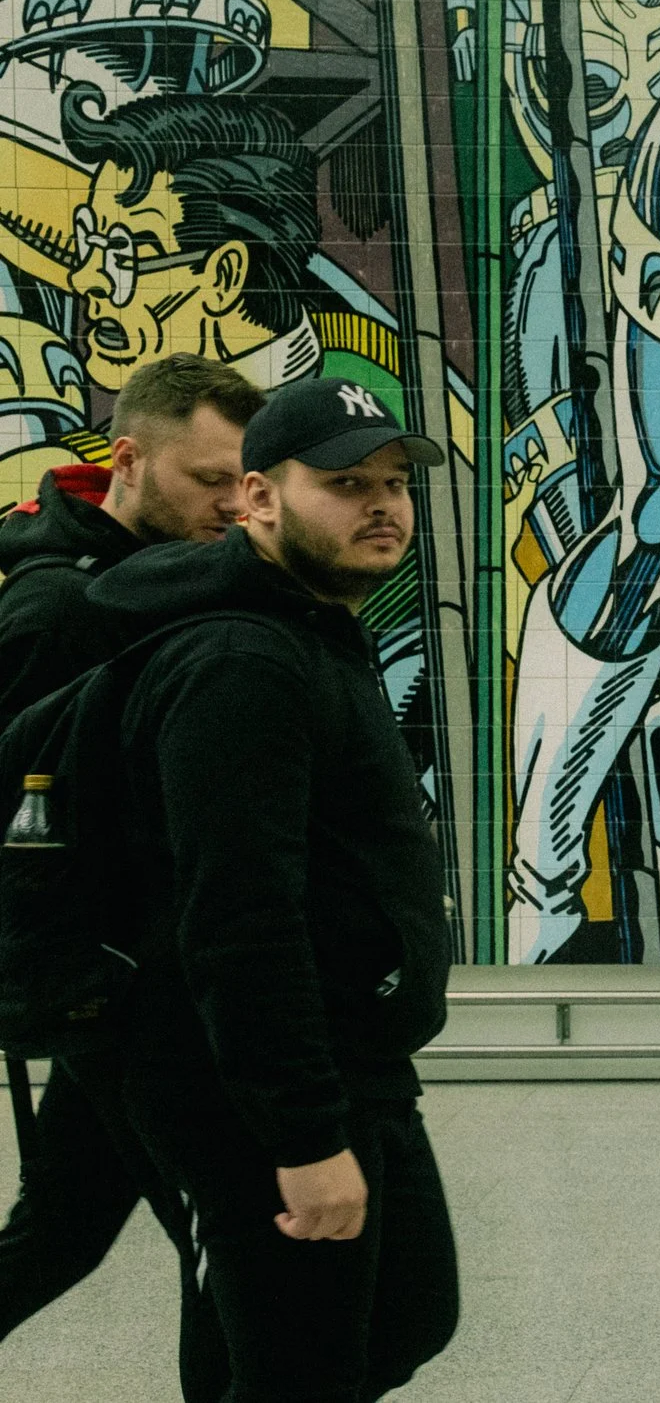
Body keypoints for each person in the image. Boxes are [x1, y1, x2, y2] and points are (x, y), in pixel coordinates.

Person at [94, 376, 458, 1400]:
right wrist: (303, 1138)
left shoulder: (307, 630)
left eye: (394, 482)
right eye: (345, 483)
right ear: (258, 498)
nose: (382, 504)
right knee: (303, 1363)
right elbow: (238, 918)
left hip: (351, 1056)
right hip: (254, 1088)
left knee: (400, 1316)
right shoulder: (241, 661)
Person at [0, 355, 262, 1398]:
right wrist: (80, 967)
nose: (232, 505)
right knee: (232, 1247)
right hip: (120, 992)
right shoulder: (66, 610)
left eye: (247, 484)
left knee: (61, 1229)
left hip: (115, 982)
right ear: (129, 461)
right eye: (208, 481)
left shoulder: (151, 583)